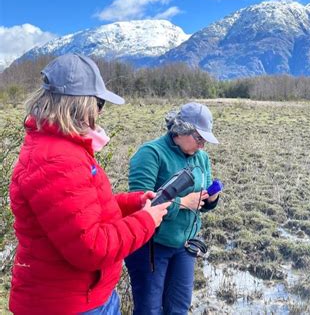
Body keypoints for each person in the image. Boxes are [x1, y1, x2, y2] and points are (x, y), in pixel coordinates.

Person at [8, 54, 170, 314]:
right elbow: (91, 247)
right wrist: (147, 221)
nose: (99, 112)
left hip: (84, 297)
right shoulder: (58, 161)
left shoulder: (62, 150)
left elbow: (82, 211)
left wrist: (135, 202)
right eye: (99, 102)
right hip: (69, 304)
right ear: (80, 104)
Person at [125, 102, 221, 314]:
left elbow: (200, 203)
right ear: (181, 129)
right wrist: (183, 203)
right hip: (151, 247)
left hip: (185, 247)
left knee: (178, 309)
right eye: (199, 138)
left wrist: (210, 199)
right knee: (149, 310)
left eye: (205, 140)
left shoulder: (201, 158)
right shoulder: (151, 153)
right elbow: (140, 202)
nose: (203, 146)